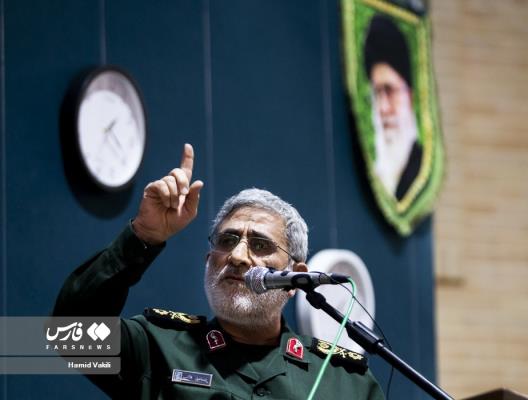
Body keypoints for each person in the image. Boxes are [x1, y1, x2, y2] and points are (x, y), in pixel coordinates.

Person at [53, 144, 384, 399]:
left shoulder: (345, 382)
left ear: (295, 277)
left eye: (260, 245)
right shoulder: (156, 348)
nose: (238, 256)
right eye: (227, 240)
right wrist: (143, 236)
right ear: (208, 260)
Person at [364, 14, 423, 201]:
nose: (383, 108)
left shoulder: (422, 168)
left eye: (389, 91)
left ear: (411, 95)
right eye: (376, 93)